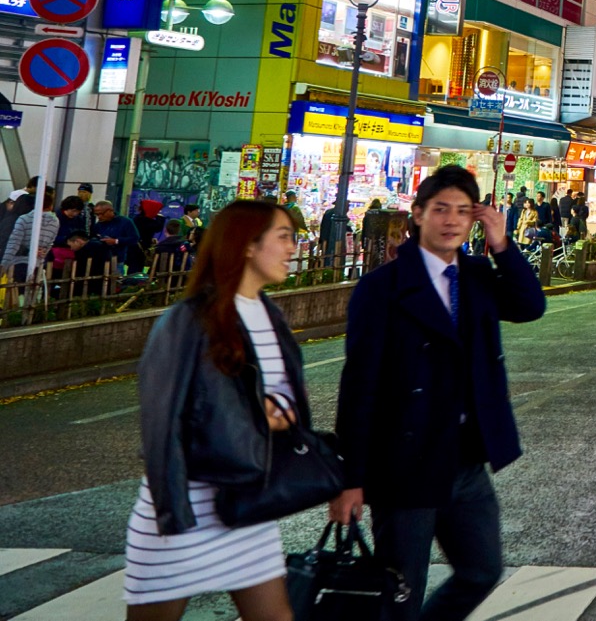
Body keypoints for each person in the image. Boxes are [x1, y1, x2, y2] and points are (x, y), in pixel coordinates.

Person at [330, 164, 546, 620]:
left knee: (482, 570)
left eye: (463, 212)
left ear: (475, 220)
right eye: (441, 209)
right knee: (401, 591)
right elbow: (359, 385)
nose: (451, 220)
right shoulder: (382, 288)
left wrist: (503, 244)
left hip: (466, 460)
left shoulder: (478, 275)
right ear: (418, 215)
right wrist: (351, 479)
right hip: (405, 464)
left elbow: (530, 305)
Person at [124, 198, 307, 620]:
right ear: (246, 245)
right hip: (185, 508)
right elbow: (162, 420)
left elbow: (284, 401)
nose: (292, 248)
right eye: (283, 237)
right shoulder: (187, 320)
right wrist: (172, 514)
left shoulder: (270, 315)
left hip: (246, 504)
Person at [93, 199, 144, 272]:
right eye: (97, 214)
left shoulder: (125, 222)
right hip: (101, 261)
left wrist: (116, 241)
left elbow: (135, 238)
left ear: (110, 211)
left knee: (116, 281)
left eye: (101, 214)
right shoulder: (98, 225)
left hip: (117, 260)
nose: (99, 217)